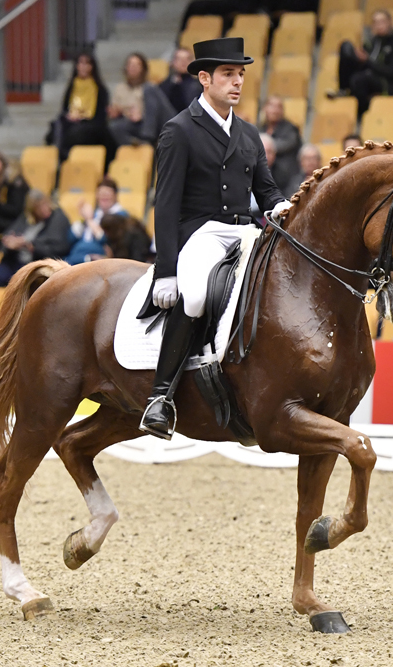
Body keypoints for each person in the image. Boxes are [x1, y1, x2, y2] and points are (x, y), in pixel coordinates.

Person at [138, 37, 288, 439]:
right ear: (204, 78)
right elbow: (165, 206)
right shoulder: (179, 130)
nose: (237, 82)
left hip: (243, 232)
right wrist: (166, 271)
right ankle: (160, 397)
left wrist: (279, 206)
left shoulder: (249, 133)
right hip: (199, 233)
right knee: (199, 296)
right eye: (227, 74)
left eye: (240, 74)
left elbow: (266, 189)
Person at [0, 190, 71, 303]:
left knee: (20, 281)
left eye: (45, 204)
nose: (44, 209)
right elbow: (10, 233)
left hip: (36, 263)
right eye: (39, 207)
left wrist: (30, 246)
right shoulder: (26, 218)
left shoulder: (58, 219)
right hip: (15, 259)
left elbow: (60, 248)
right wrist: (9, 242)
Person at [333, 10, 393, 116]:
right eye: (376, 22)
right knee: (346, 47)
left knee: (359, 80)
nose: (379, 25)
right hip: (370, 74)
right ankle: (343, 90)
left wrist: (367, 61)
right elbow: (363, 63)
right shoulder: (372, 42)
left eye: (382, 22)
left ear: (389, 22)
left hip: (388, 83)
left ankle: (361, 112)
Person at [48, 52, 117, 166]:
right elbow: (65, 109)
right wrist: (70, 116)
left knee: (77, 132)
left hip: (91, 125)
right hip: (71, 123)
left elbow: (100, 116)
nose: (83, 67)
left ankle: (63, 160)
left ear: (92, 67)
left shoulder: (100, 89)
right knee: (58, 124)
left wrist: (82, 117)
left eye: (87, 63)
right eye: (80, 63)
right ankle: (59, 160)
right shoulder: (71, 87)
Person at [108, 53, 176, 147]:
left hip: (154, 124)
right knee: (114, 126)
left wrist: (141, 114)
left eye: (137, 65)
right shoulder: (120, 88)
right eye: (130, 65)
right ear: (126, 68)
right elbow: (116, 108)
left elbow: (154, 111)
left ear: (143, 69)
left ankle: (148, 138)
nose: (133, 68)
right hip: (133, 123)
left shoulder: (151, 87)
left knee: (149, 89)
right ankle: (135, 146)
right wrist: (116, 112)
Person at [66, 178, 127, 265]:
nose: (103, 196)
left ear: (115, 195)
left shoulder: (120, 215)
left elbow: (105, 239)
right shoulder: (94, 213)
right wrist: (82, 220)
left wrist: (89, 220)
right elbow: (71, 238)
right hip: (78, 253)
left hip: (98, 257)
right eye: (101, 193)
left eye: (107, 193)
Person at [258, 96, 302, 192]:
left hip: (285, 180)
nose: (275, 110)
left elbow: (285, 146)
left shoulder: (291, 129)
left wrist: (263, 146)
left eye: (279, 107)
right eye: (272, 106)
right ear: (264, 108)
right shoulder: (260, 128)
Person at [159, 47, 202, 113]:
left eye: (187, 59)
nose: (183, 62)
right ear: (173, 62)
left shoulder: (199, 86)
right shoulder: (163, 86)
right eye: (179, 59)